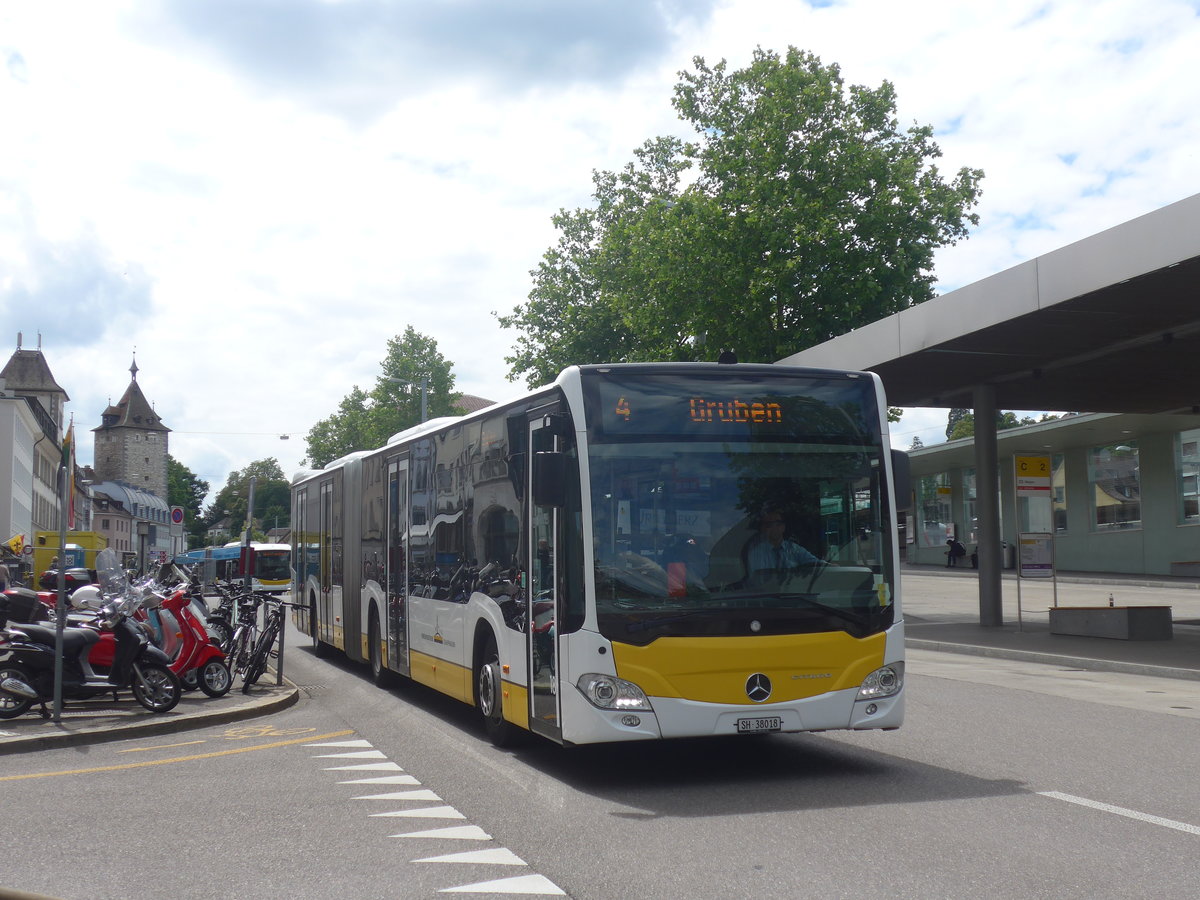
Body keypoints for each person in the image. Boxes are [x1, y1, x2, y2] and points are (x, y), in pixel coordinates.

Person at [747, 508, 821, 580]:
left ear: (783, 527)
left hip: (797, 590)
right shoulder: (756, 553)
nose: (774, 527)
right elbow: (759, 580)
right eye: (769, 525)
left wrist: (830, 565)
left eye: (778, 523)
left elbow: (817, 564)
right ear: (763, 529)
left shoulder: (793, 548)